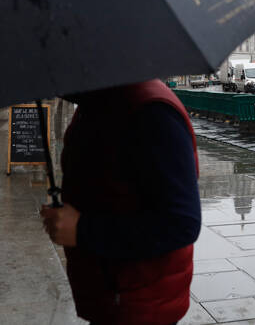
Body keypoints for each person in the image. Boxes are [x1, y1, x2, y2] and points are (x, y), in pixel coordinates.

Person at [40, 79, 201, 325]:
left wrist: (82, 230)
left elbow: (181, 223)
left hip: (137, 303)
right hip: (112, 295)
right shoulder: (99, 101)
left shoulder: (152, 112)